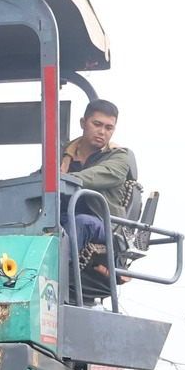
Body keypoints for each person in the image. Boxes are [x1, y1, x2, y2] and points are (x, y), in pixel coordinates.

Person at [59, 99, 134, 290]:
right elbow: (39, 178)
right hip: (62, 218)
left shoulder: (119, 157)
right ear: (83, 123)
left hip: (103, 224)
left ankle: (52, 276)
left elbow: (94, 177)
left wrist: (60, 179)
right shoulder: (62, 156)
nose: (102, 132)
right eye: (97, 124)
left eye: (109, 127)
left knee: (82, 222)